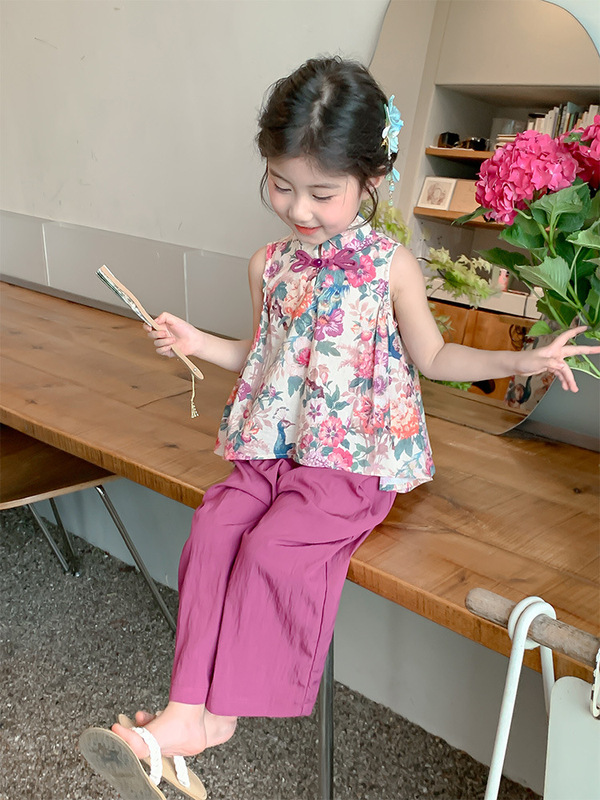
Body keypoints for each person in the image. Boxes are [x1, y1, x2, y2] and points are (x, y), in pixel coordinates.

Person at [80, 56, 600, 797]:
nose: (299, 208)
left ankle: (214, 721)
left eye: (322, 193)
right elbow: (261, 355)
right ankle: (182, 711)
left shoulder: (389, 265)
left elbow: (434, 356)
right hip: (272, 448)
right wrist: (198, 342)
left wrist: (527, 360)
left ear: (371, 177)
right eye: (281, 185)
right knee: (215, 529)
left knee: (273, 550)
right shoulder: (269, 264)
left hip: (352, 462)